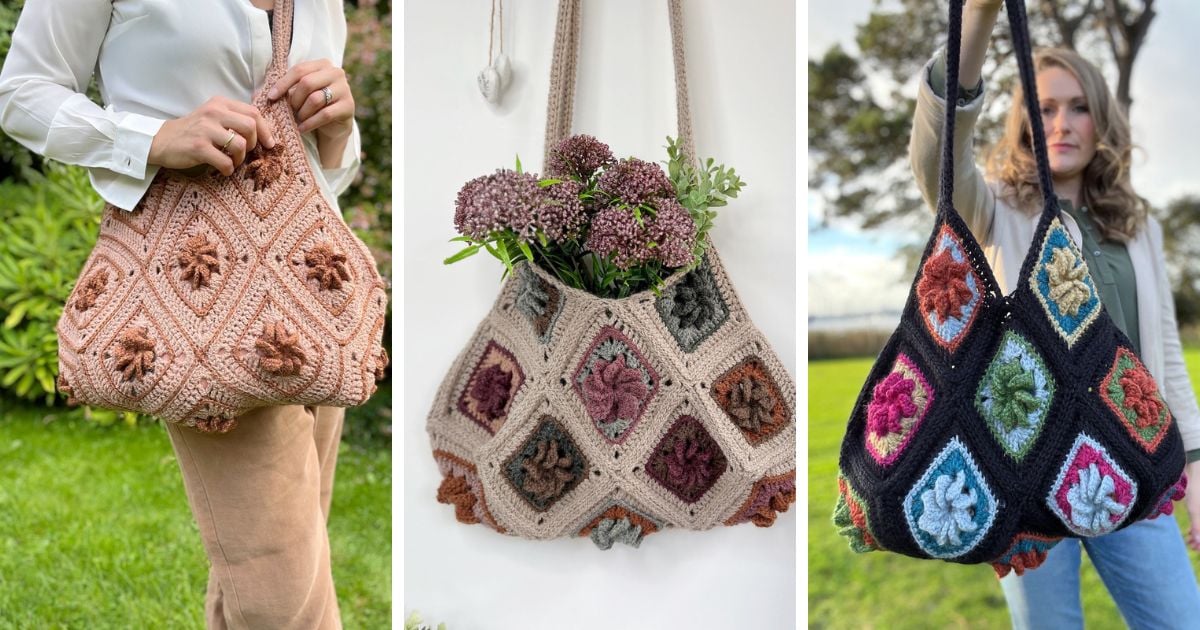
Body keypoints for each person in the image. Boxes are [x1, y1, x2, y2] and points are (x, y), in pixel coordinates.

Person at [0, 1, 362, 627]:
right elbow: (20, 91)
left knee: (276, 568)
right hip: (194, 300)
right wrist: (153, 138)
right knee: (283, 597)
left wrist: (336, 129)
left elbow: (329, 173)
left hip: (312, 293)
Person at [909, 1, 1200, 628]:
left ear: (1101, 118)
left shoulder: (1136, 222)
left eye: (1077, 106)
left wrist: (1196, 462)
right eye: (1043, 108)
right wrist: (980, 19)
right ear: (1022, 122)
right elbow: (935, 163)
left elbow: (1166, 351)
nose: (1061, 123)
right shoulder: (994, 208)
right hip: (1026, 472)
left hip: (1136, 463)